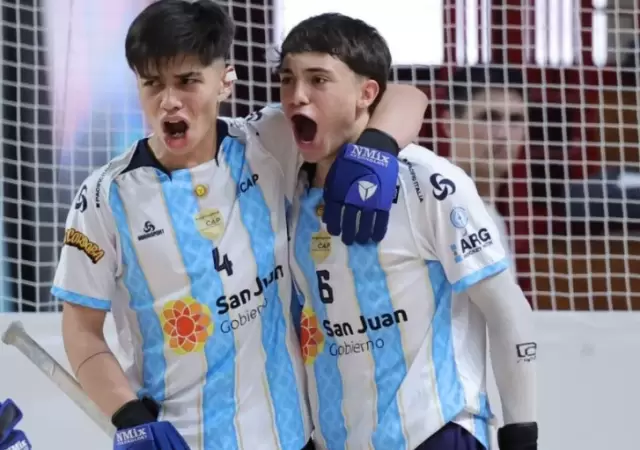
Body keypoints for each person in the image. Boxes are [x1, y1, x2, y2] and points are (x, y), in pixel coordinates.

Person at [50, 1, 427, 450]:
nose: (169, 101)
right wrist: (130, 416)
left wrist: (378, 148)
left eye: (188, 81)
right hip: (181, 441)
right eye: (152, 84)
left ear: (225, 80)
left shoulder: (268, 141)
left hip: (291, 438)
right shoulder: (104, 196)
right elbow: (81, 332)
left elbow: (405, 96)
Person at [282, 13, 538, 450]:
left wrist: (521, 435)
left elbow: (508, 311)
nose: (297, 96)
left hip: (435, 432)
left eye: (318, 80)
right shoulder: (283, 183)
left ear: (367, 94)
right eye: (287, 80)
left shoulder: (428, 181)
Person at [440, 67, 527, 256]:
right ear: (448, 124)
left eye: (515, 119)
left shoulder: (492, 218)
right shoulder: (435, 212)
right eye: (488, 117)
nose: (504, 134)